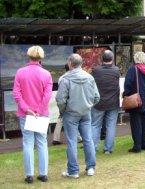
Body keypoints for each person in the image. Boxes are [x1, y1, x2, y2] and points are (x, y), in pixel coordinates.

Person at [13, 46, 53, 183]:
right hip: (40, 114)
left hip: (26, 114)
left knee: (28, 143)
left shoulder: (20, 72)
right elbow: (47, 96)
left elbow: (16, 94)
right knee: (42, 143)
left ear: (28, 56)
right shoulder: (46, 74)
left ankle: (29, 175)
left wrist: (27, 109)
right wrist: (38, 110)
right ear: (41, 57)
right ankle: (43, 174)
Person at [56, 54, 100, 178]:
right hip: (86, 112)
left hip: (70, 113)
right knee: (88, 140)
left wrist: (63, 111)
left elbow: (60, 100)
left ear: (70, 63)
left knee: (72, 141)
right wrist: (88, 105)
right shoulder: (89, 77)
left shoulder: (65, 79)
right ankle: (90, 168)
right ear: (81, 63)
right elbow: (97, 97)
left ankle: (73, 171)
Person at [124, 52, 145, 153]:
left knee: (136, 123)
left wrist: (127, 94)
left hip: (136, 98)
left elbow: (128, 85)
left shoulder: (132, 70)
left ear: (135, 59)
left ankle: (137, 146)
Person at [90, 50, 120, 154]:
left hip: (99, 103)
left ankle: (93, 148)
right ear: (112, 59)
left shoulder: (96, 70)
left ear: (102, 59)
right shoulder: (116, 70)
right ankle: (108, 149)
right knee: (111, 126)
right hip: (113, 103)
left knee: (95, 125)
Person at [53, 64, 82, 145]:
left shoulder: (61, 78)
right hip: (71, 101)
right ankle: (78, 138)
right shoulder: (74, 77)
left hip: (63, 101)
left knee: (61, 118)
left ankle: (56, 138)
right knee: (74, 119)